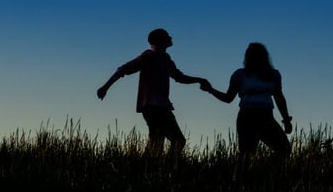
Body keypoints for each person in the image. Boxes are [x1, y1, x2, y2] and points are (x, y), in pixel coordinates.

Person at [97, 28, 210, 157]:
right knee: (163, 142)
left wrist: (199, 80)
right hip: (152, 106)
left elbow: (179, 77)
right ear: (159, 40)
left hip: (162, 106)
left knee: (168, 141)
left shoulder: (166, 58)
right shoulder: (149, 56)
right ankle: (156, 169)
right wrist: (105, 87)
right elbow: (123, 69)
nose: (170, 37)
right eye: (167, 36)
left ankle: (157, 168)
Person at [202, 43, 292, 157]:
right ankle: (248, 174)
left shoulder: (274, 75)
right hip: (247, 117)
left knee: (284, 149)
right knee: (247, 155)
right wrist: (210, 90)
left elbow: (279, 98)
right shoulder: (240, 74)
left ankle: (269, 172)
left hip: (267, 117)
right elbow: (228, 98)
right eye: (251, 54)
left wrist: (286, 120)